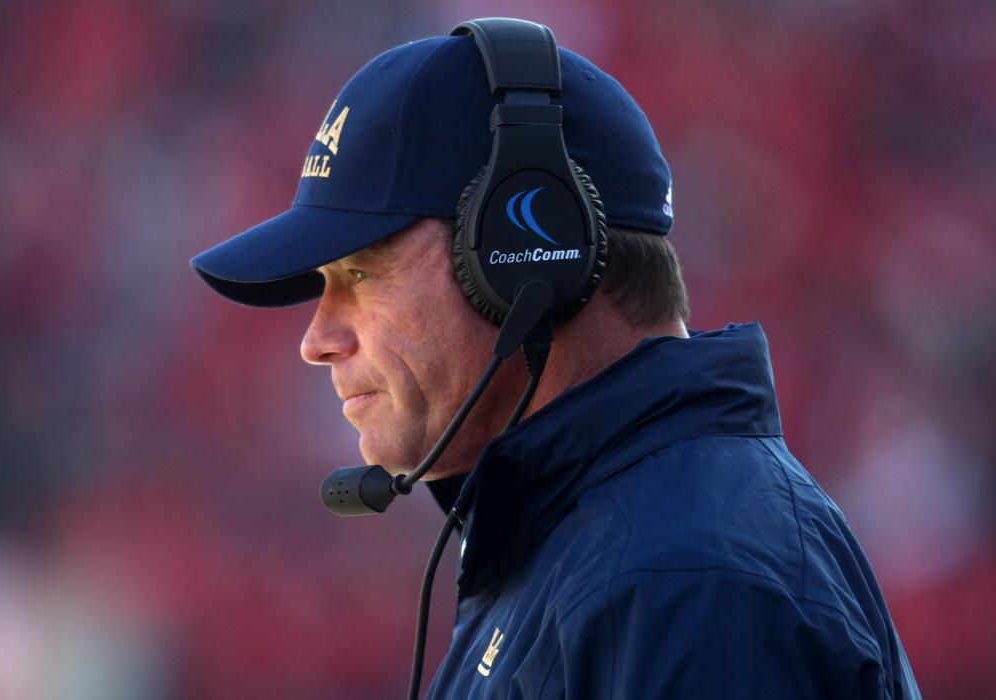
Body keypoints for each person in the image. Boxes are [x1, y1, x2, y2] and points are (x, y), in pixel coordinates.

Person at [190, 18, 921, 700]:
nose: (316, 340)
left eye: (361, 274)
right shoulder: (579, 550)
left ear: (521, 256)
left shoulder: (683, 581)